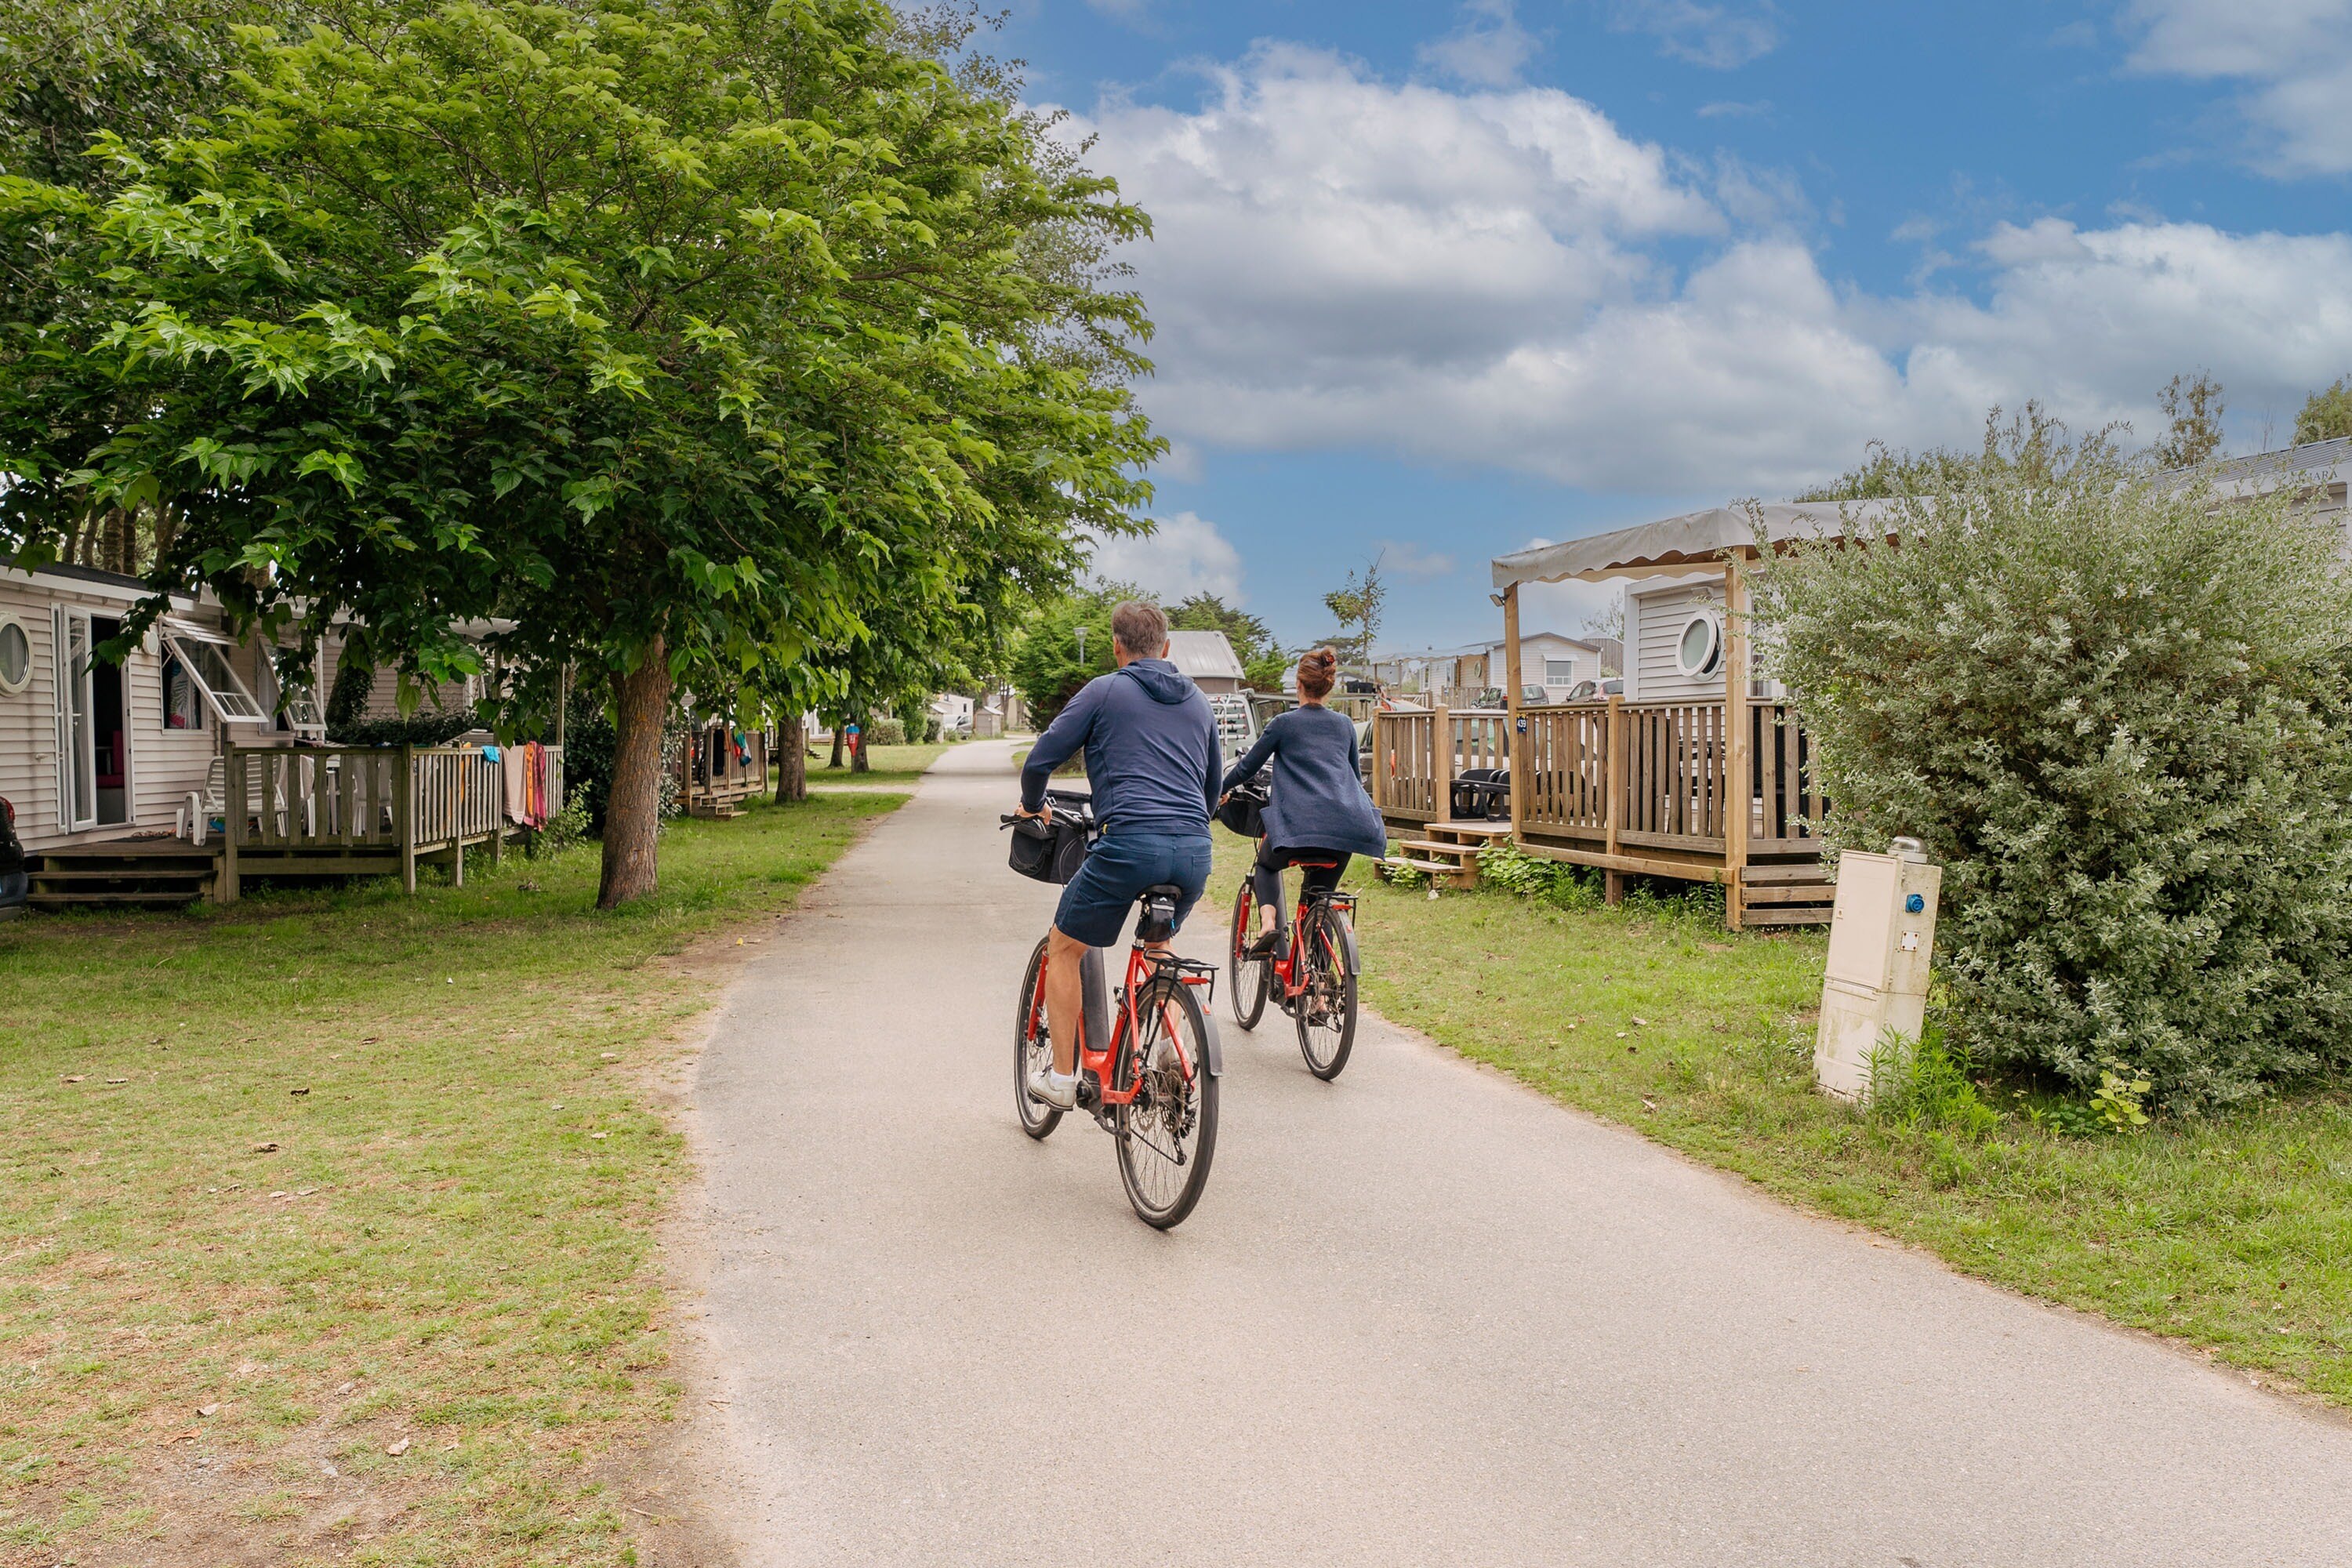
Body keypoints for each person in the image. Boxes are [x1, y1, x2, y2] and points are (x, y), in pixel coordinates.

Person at [1014, 601, 1220, 1110]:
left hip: (1129, 844)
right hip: (1195, 851)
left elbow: (1040, 760)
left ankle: (1063, 1078)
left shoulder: (1105, 690)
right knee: (1159, 947)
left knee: (1065, 947)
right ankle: (1169, 1050)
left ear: (1116, 647)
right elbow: (1212, 789)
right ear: (1166, 647)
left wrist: (1034, 805)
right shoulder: (1198, 702)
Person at [1220, 648, 1388, 957]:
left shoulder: (1283, 724)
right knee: (1321, 900)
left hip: (1297, 829)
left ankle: (1268, 923)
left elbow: (1246, 769)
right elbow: (1353, 777)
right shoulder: (1344, 725)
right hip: (1344, 830)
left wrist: (1216, 791)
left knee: (1265, 866)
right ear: (1329, 687)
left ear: (1299, 685)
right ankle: (1323, 979)